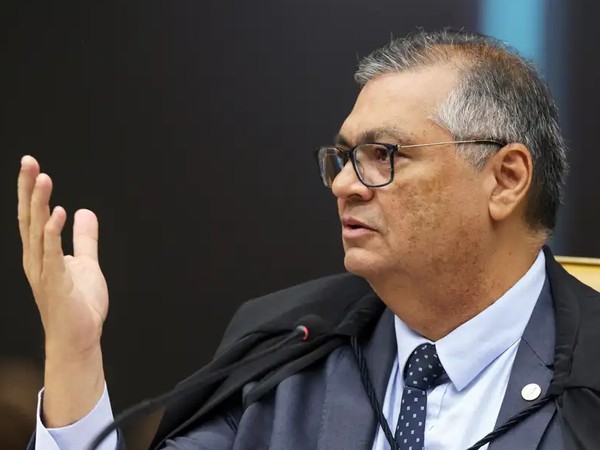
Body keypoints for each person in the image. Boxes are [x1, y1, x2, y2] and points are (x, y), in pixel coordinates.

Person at [19, 29, 600, 450]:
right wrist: (75, 356)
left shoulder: (587, 379)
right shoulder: (287, 347)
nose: (345, 185)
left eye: (383, 155)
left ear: (505, 180)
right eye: (344, 158)